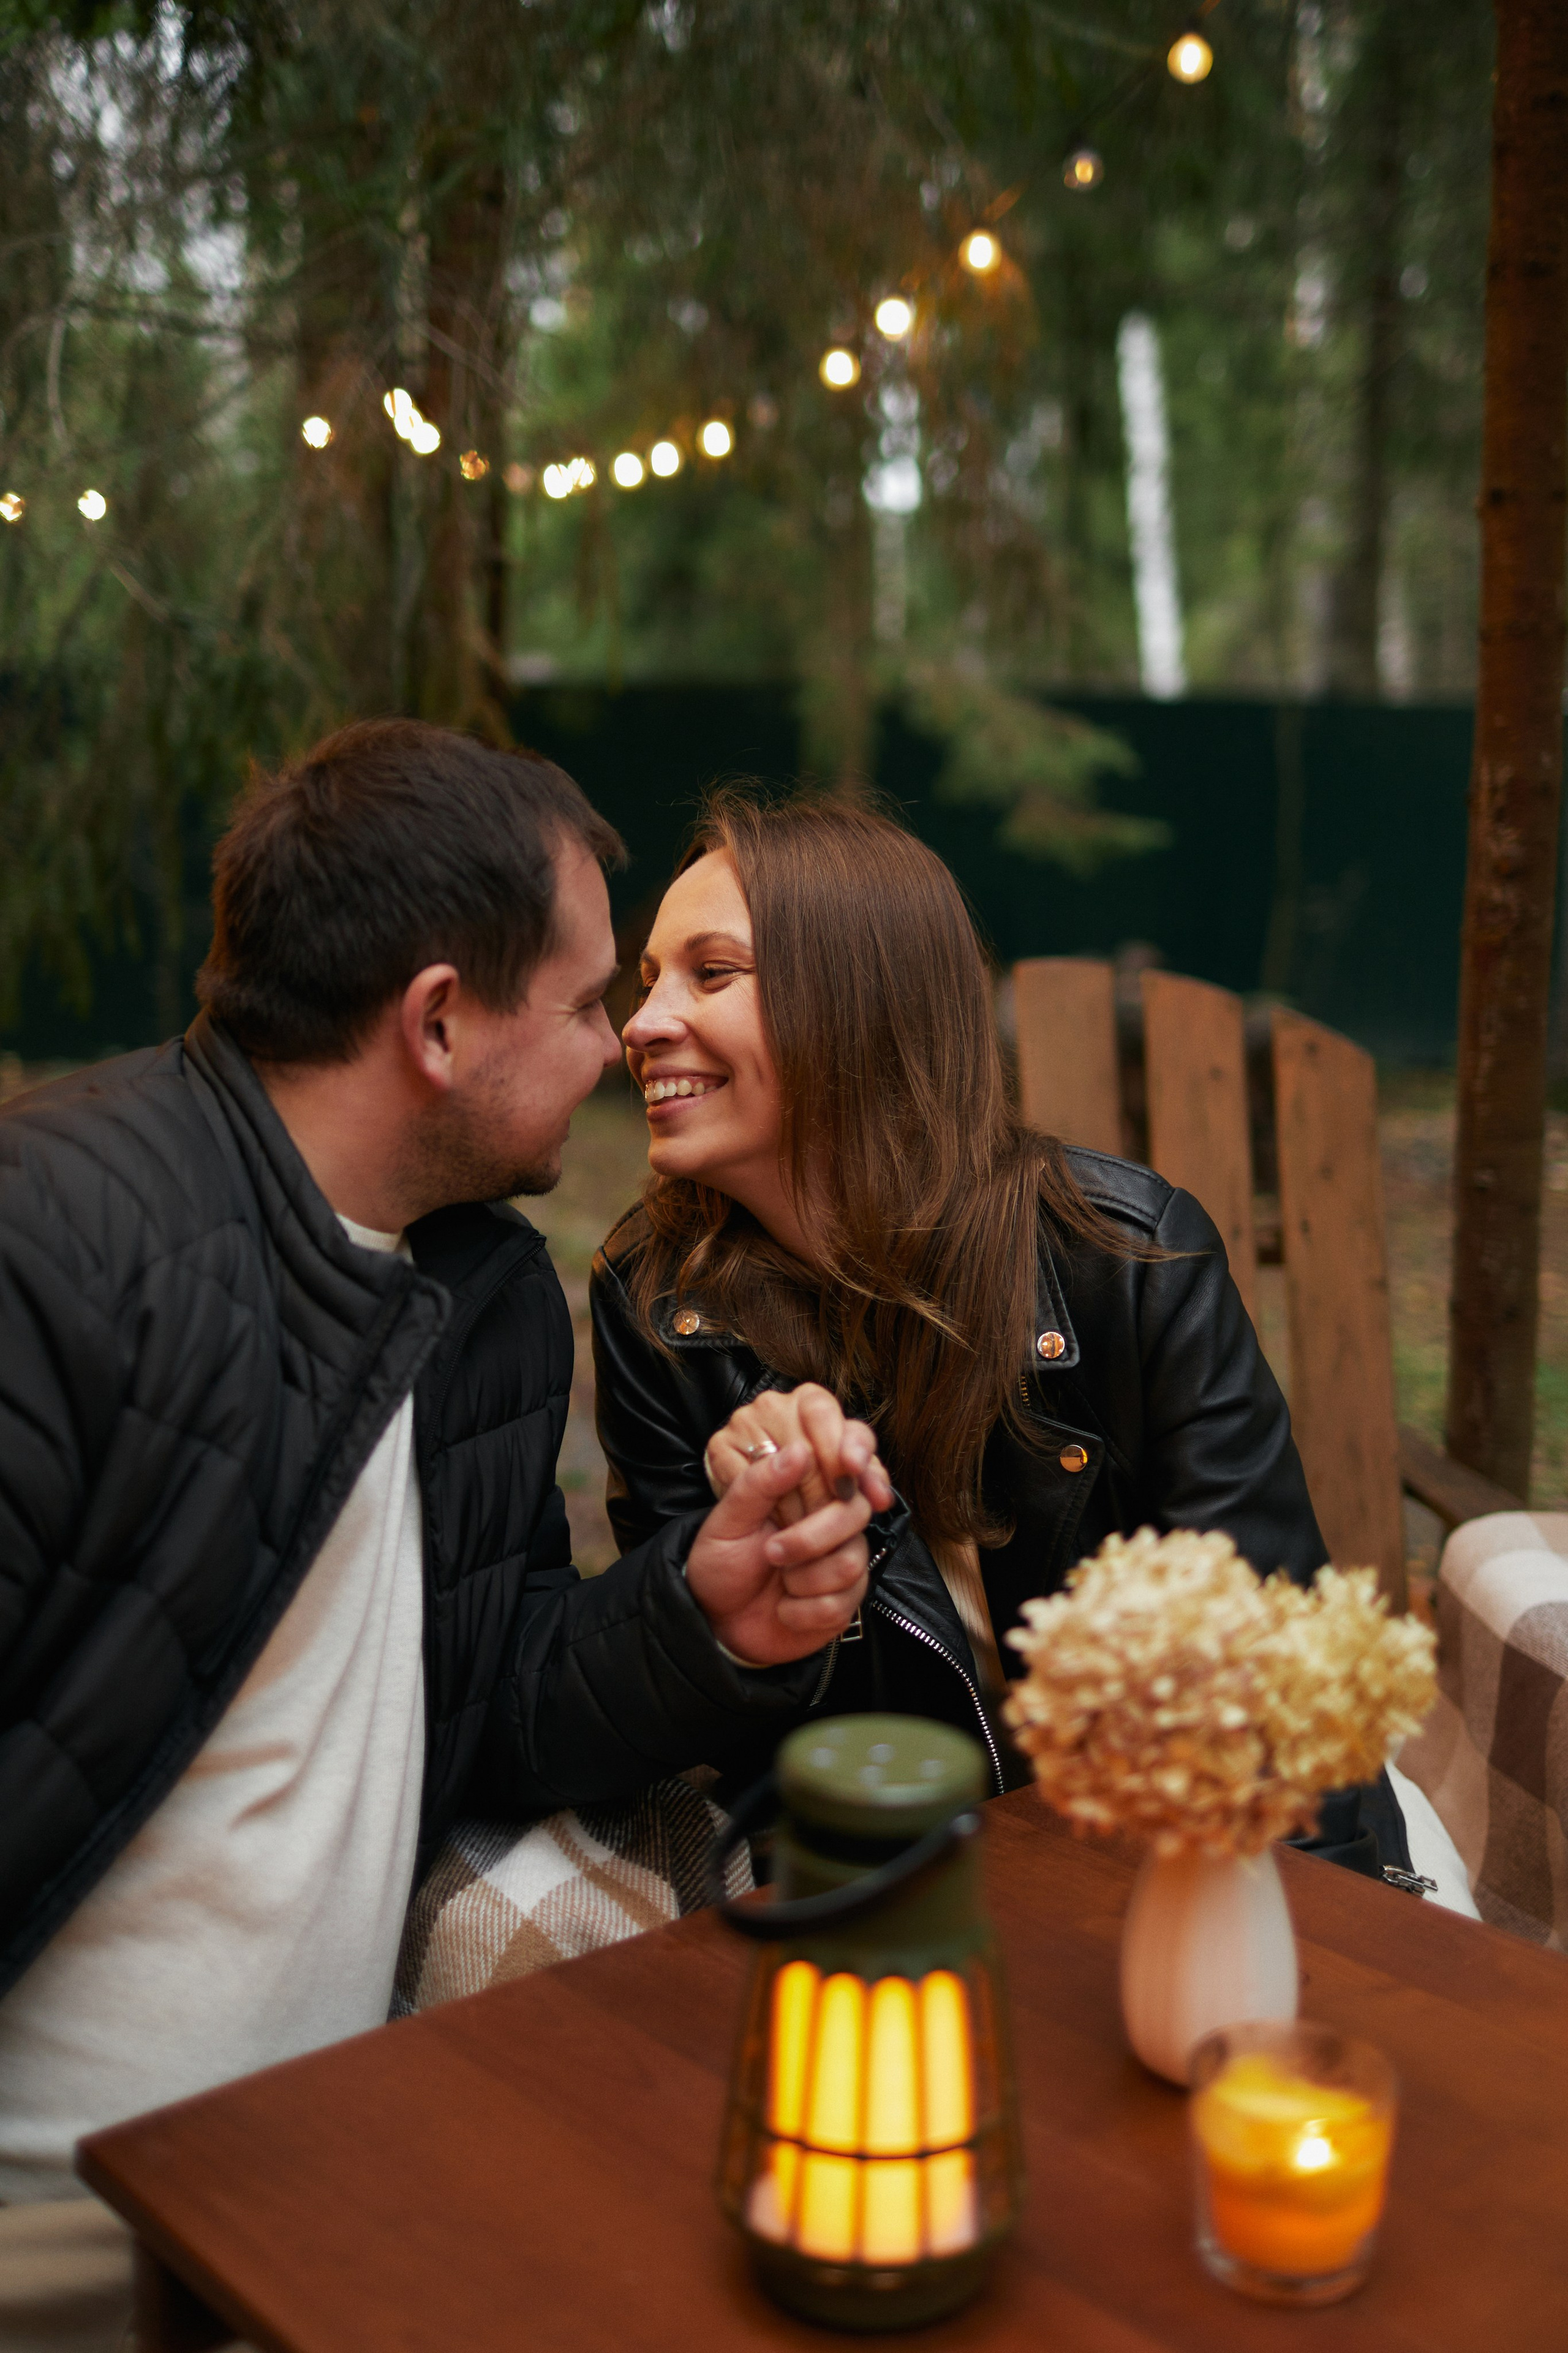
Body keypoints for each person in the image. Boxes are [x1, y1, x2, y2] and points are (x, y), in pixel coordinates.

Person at [0, 723, 875, 2341]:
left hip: (314, 2210)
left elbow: (484, 1693)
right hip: (58, 2245)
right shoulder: (56, 1253)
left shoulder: (473, 1301)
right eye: (590, 999)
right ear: (438, 1021)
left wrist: (701, 1615)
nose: (622, 1044)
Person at [590, 791, 1409, 1867]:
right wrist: (747, 1563)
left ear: (860, 1000)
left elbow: (1275, 1673)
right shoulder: (654, 1299)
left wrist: (1311, 1945)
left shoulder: (1128, 1260)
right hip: (891, 1864)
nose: (639, 1025)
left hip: (1193, 1854)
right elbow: (722, 1746)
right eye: (648, 981)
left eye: (713, 972)